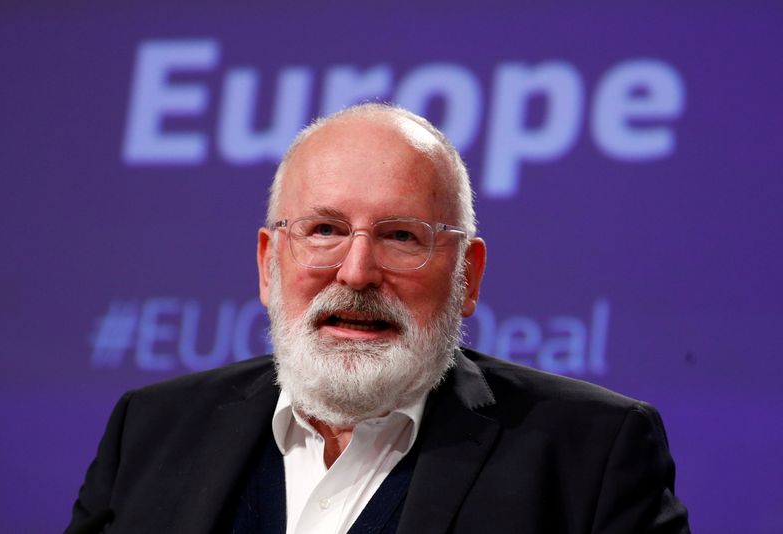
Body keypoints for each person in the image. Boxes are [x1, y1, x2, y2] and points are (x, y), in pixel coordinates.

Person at [66, 103, 690, 533]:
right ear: (267, 262)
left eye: (400, 236)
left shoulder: (591, 454)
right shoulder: (149, 432)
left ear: (467, 275)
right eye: (325, 230)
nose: (357, 271)